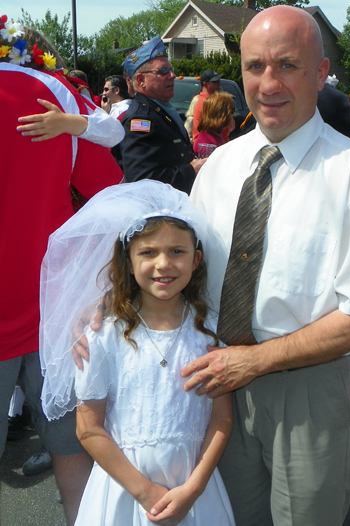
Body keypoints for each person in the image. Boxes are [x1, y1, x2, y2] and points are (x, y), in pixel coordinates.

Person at [179, 6, 350, 526]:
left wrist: (257, 361)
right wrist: (110, 319)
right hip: (218, 384)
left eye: (287, 65)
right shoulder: (219, 167)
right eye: (255, 66)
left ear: (320, 72)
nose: (268, 83)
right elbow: (179, 274)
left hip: (307, 393)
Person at [39, 180, 235, 526]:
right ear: (128, 262)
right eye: (148, 252)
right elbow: (89, 429)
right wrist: (146, 492)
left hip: (193, 488)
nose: (164, 264)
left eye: (177, 251)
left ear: (196, 259)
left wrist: (194, 488)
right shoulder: (103, 335)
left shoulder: (211, 331)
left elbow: (221, 419)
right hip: (123, 490)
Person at [0, 17, 123, 526]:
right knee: (72, 453)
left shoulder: (52, 90)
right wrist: (96, 283)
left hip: (52, 314)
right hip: (57, 306)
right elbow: (114, 197)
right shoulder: (53, 91)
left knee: (72, 447)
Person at [119, 37, 205, 193]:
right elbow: (142, 180)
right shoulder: (141, 119)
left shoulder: (160, 109)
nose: (172, 75)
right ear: (141, 80)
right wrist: (191, 169)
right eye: (163, 71)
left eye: (171, 70)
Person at [193, 92, 235, 157]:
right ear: (221, 115)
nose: (232, 115)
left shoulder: (216, 136)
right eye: (231, 112)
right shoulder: (206, 142)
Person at [192, 69, 223, 143]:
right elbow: (227, 128)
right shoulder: (207, 102)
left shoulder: (206, 100)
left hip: (208, 144)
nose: (219, 83)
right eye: (215, 82)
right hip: (207, 146)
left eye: (218, 81)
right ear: (205, 84)